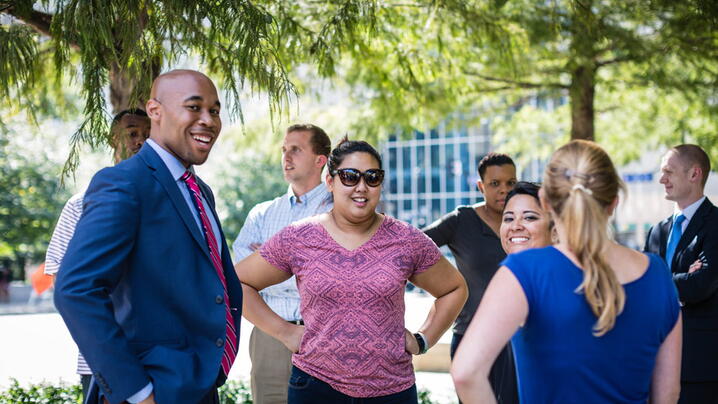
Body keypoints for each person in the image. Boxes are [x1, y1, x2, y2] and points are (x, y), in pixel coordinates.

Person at [54, 70, 243, 404]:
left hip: (197, 384)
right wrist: (138, 393)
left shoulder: (200, 191)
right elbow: (75, 290)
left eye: (214, 111)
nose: (209, 120)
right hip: (152, 388)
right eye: (194, 107)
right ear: (155, 110)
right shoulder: (124, 183)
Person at [236, 137, 468, 403]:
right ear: (330, 182)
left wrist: (423, 338)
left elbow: (454, 288)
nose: (361, 187)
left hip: (391, 389)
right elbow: (240, 281)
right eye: (349, 177)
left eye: (372, 177)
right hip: (316, 385)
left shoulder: (406, 240)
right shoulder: (299, 237)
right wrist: (284, 332)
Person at [452, 140, 682, 404]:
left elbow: (466, 373)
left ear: (547, 202)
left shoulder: (525, 271)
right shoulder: (658, 275)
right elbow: (668, 394)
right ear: (614, 201)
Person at [44, 108, 150, 399]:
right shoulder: (80, 205)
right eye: (132, 133)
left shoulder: (169, 202)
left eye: (147, 134)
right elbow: (61, 280)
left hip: (160, 355)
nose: (140, 141)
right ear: (112, 138)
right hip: (101, 359)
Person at [232, 123, 332, 404]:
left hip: (325, 336)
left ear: (319, 160)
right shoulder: (261, 214)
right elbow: (239, 278)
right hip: (269, 335)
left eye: (296, 150)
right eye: (284, 150)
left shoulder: (338, 210)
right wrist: (301, 263)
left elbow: (334, 276)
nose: (286, 157)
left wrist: (268, 261)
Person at [422, 153, 517, 403]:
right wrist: (444, 284)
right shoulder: (461, 221)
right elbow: (414, 246)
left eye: (510, 183)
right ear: (480, 186)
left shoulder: (526, 224)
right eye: (495, 184)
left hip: (518, 340)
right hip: (470, 337)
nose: (504, 190)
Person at [644, 144, 718, 403]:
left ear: (694, 174)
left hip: (699, 365)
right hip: (654, 360)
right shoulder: (657, 231)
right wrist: (682, 278)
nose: (661, 179)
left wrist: (658, 284)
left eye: (668, 172)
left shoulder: (715, 225)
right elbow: (643, 286)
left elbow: (702, 284)